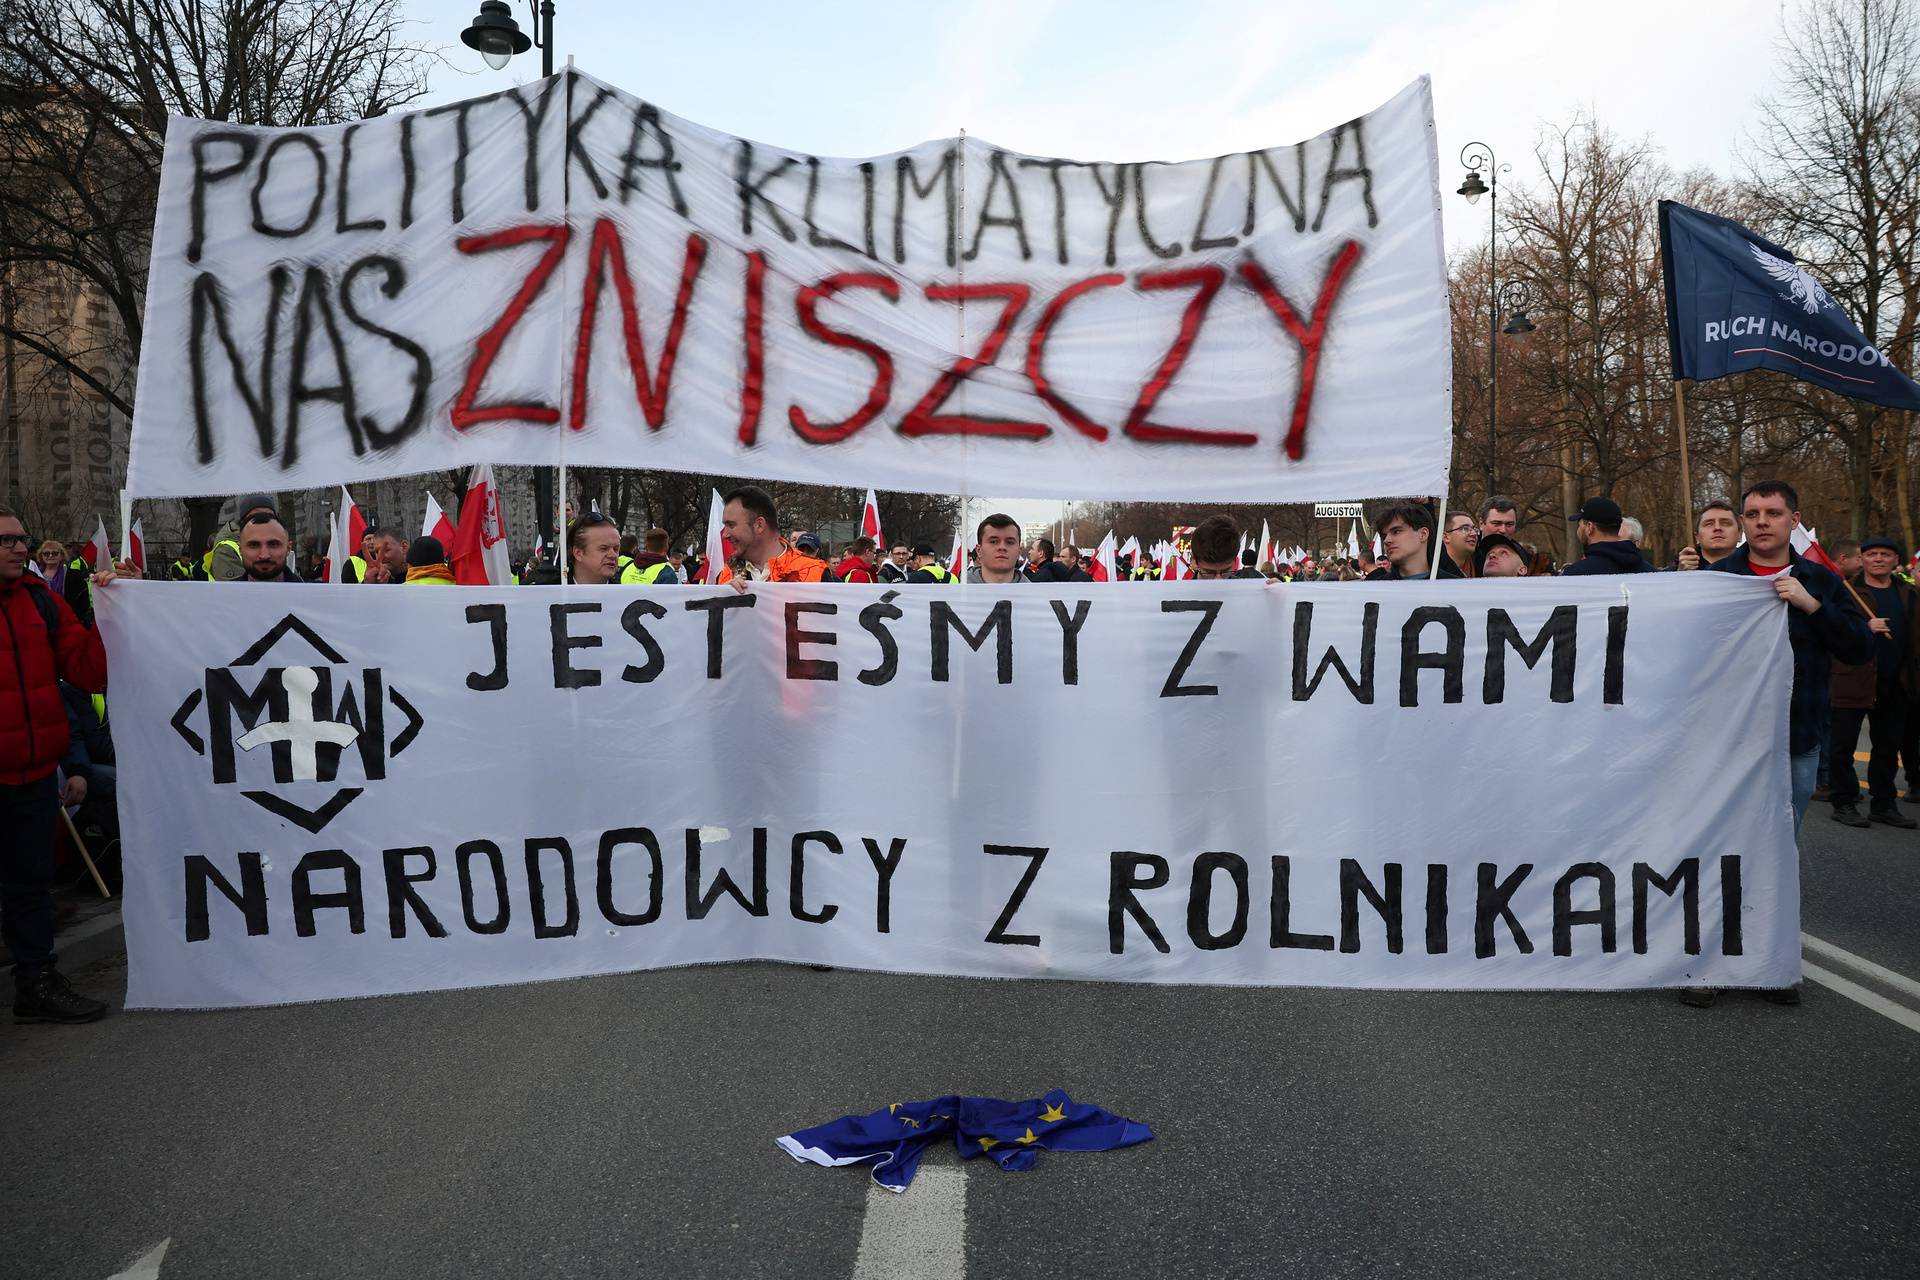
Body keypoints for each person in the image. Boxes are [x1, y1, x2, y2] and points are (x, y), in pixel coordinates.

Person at [1684, 481, 1874, 1009]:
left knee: (1776, 855)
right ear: (1743, 522)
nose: (1762, 521)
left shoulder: (1820, 579)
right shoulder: (1718, 580)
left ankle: (1771, 964)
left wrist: (1815, 607)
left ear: (1794, 519)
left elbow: (1860, 648)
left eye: (1773, 512)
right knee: (1721, 850)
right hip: (1726, 743)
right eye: (1752, 513)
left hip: (1795, 738)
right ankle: (1710, 965)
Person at [0, 504, 120, 1023]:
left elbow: (89, 673)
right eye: (6, 540)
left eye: (22, 539)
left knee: (31, 885)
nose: (20, 548)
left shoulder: (42, 605)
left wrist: (111, 611)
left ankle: (37, 984)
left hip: (31, 778)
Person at [1827, 537, 1917, 829]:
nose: (1878, 559)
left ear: (1895, 560)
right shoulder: (1846, 591)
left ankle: (1883, 804)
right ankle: (1843, 802)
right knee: (1843, 746)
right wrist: (1864, 627)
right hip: (1853, 678)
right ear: (1862, 559)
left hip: (1896, 681)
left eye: (1885, 554)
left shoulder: (1909, 593)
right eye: (1872, 554)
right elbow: (1830, 627)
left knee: (1887, 748)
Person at [716, 486, 829, 584]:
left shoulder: (814, 572)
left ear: (759, 525)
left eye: (731, 525)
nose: (725, 535)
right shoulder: (726, 576)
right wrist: (724, 599)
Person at [1562, 498, 1656, 576]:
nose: (1578, 530)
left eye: (1580, 525)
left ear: (1589, 527)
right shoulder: (1651, 573)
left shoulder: (1576, 574)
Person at [207, 493, 279, 580]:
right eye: (257, 516)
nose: (264, 521)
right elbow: (237, 590)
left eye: (270, 516)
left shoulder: (275, 541)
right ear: (244, 518)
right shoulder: (226, 549)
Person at [1376, 503, 1457, 579]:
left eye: (1396, 532)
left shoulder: (1455, 587)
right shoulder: (1373, 589)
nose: (1386, 540)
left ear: (1423, 534)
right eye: (1384, 536)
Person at [236, 515, 301, 583]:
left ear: (288, 548)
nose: (264, 556)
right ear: (241, 550)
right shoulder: (224, 592)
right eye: (254, 545)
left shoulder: (312, 592)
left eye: (273, 545)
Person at [1677, 501, 1740, 571]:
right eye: (1709, 524)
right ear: (1697, 537)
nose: (1717, 528)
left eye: (1725, 523)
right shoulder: (1668, 577)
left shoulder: (1753, 575)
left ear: (1740, 534)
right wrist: (1680, 577)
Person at [965, 515, 1026, 583]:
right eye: (993, 541)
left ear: (1019, 552)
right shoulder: (956, 591)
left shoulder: (1036, 592)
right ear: (979, 550)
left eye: (1010, 542)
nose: (1002, 547)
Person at [567, 515, 623, 585]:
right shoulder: (552, 593)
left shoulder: (625, 595)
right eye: (604, 548)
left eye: (616, 549)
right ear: (578, 553)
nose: (613, 555)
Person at [1188, 516, 1244, 580]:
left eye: (1225, 571)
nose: (1218, 580)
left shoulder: (1247, 589)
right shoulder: (1181, 590)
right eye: (1209, 573)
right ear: (1194, 561)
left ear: (1235, 561)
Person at [1442, 513, 1480, 577]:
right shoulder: (1433, 570)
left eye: (1474, 529)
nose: (1474, 534)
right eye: (1465, 529)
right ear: (1446, 537)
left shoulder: (1480, 566)